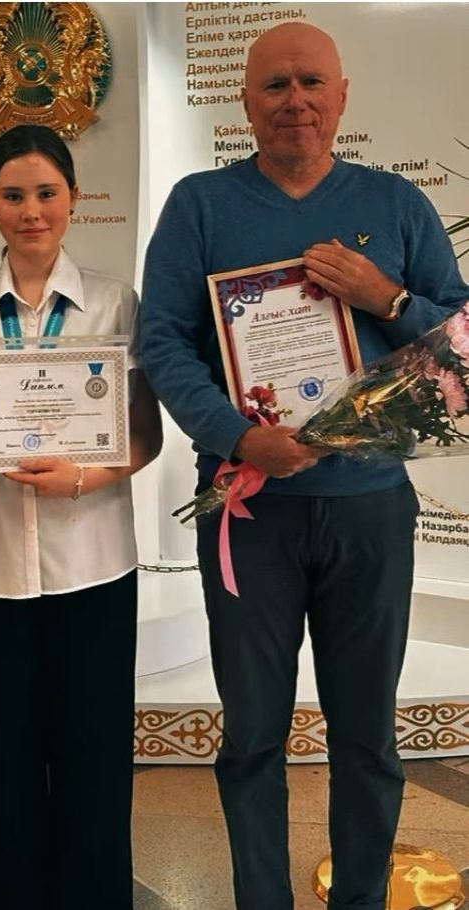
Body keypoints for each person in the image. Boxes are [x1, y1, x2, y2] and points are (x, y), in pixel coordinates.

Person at [139, 21, 469, 910]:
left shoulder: (395, 204)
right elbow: (162, 342)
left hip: (370, 509)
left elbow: (461, 340)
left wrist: (385, 296)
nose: (296, 101)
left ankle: (358, 897)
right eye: (276, 85)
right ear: (245, 100)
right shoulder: (200, 206)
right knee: (251, 736)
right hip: (249, 511)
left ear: (342, 95)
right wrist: (236, 436)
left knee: (367, 737)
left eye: (312, 83)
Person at [0, 123, 162, 910]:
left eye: (47, 193)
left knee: (94, 755)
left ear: (74, 199)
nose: (31, 211)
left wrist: (85, 476)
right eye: (13, 195)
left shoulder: (116, 304)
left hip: (94, 564)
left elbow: (147, 436)